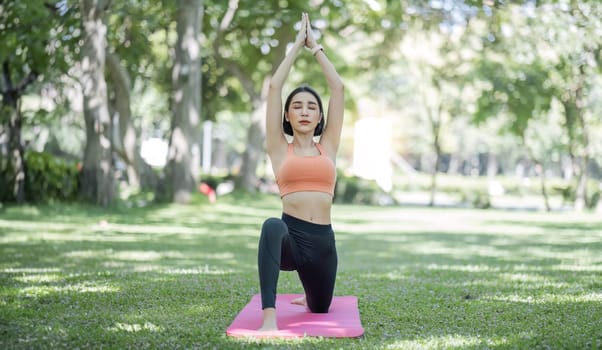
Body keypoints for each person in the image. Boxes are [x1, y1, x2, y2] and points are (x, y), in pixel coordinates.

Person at [256, 12, 344, 331]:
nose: (304, 111)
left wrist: (315, 46)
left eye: (311, 107)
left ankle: (308, 295)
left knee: (320, 309)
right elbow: (275, 86)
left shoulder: (328, 146)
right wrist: (295, 45)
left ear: (320, 116)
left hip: (323, 243)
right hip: (290, 237)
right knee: (270, 226)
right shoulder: (280, 148)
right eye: (297, 106)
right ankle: (269, 317)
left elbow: (338, 86)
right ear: (287, 116)